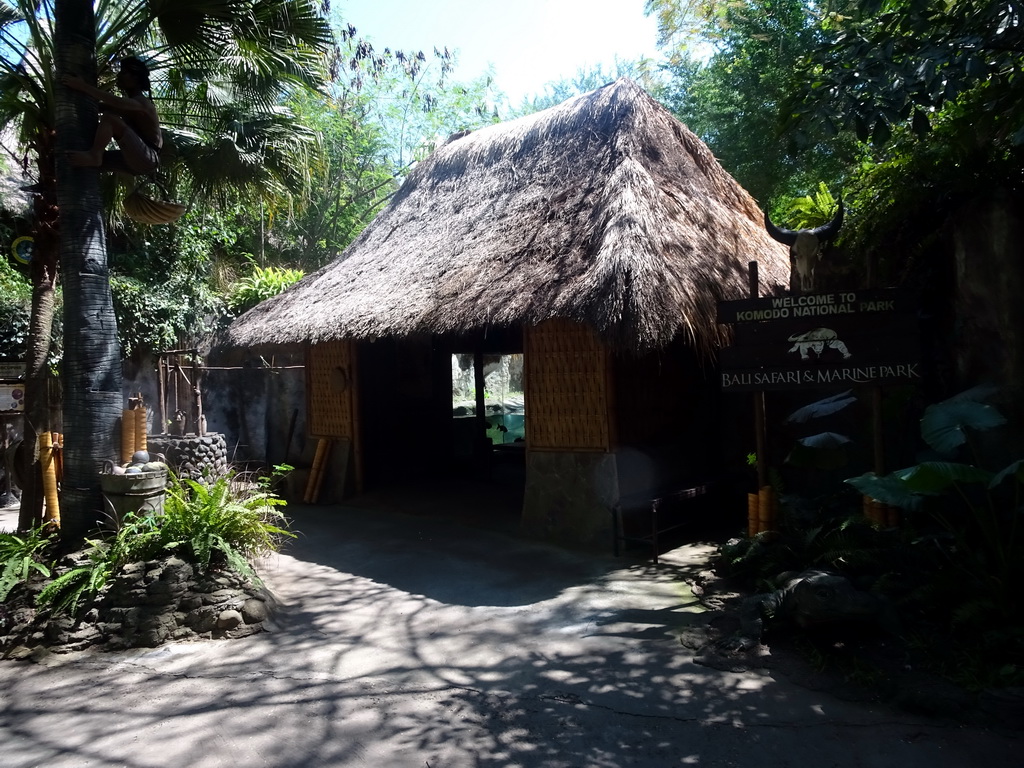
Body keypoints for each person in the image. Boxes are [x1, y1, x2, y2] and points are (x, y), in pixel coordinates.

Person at [61, 56, 162, 174]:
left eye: (124, 73)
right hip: (135, 160)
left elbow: (116, 102)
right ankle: (92, 158)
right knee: (76, 162)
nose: (119, 76)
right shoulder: (129, 105)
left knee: (109, 118)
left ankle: (94, 155)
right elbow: (102, 107)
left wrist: (82, 86)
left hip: (148, 157)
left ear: (135, 78)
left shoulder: (142, 103)